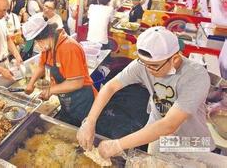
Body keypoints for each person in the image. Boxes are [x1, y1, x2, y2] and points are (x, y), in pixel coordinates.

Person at [77, 26, 214, 158]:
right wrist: (90, 121)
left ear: (175, 59)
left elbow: (169, 124)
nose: (147, 70)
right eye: (144, 63)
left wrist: (118, 145)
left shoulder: (196, 76)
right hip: (156, 134)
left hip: (191, 141)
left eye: (153, 66)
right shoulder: (143, 65)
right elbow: (110, 87)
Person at [22, 16, 97, 126]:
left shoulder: (69, 48)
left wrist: (51, 90)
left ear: (43, 38)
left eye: (37, 42)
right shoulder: (48, 47)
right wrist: (31, 83)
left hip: (82, 102)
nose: (38, 46)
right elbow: (41, 66)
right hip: (66, 100)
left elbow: (76, 82)